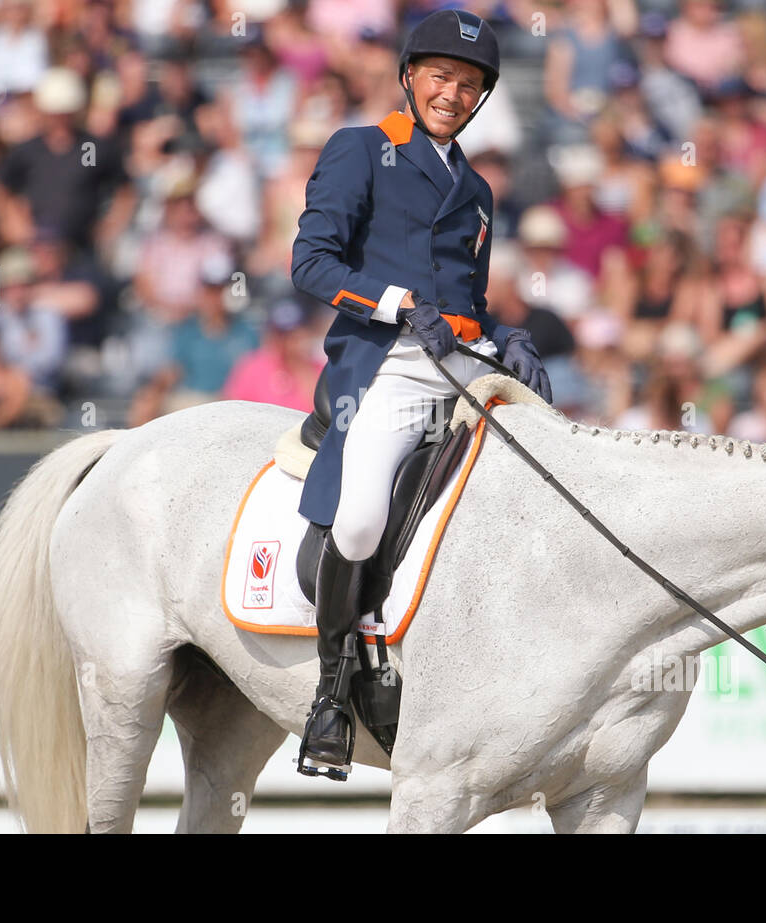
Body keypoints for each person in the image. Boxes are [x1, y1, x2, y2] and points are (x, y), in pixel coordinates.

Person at [289, 9, 552, 779]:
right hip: (387, 362)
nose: (453, 92)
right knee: (365, 514)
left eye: (469, 85)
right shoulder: (361, 149)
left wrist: (506, 336)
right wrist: (399, 302)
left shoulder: (476, 189)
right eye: (441, 76)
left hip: (463, 362)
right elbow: (312, 264)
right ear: (410, 76)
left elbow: (463, 296)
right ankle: (332, 691)